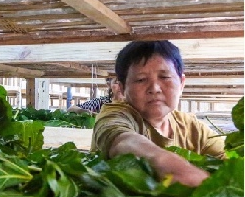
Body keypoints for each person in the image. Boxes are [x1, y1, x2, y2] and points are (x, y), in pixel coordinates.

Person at [91, 40, 225, 187]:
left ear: (181, 83)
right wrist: (166, 163)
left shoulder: (195, 130)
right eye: (141, 80)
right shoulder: (117, 114)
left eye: (164, 77)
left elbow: (229, 161)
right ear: (122, 89)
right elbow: (121, 139)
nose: (154, 88)